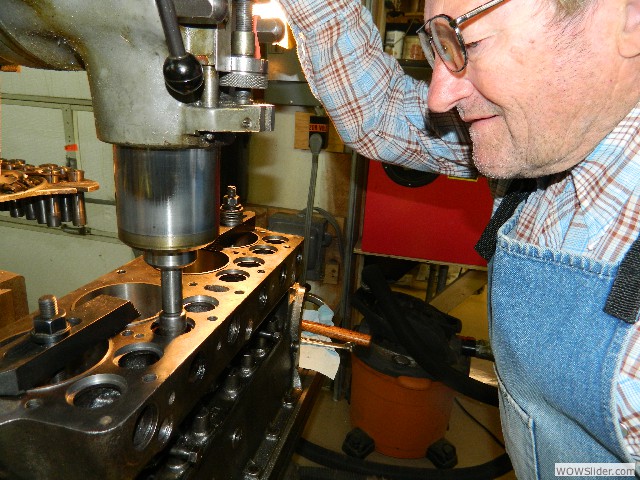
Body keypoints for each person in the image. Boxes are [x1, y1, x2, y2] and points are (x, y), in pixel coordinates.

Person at [277, 0, 640, 478]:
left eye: (468, 43)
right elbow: (381, 112)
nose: (439, 96)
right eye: (438, 48)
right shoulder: (545, 138)